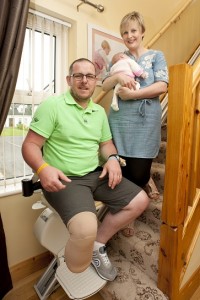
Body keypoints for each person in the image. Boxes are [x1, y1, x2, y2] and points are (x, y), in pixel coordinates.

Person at [21, 58, 149, 281]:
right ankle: (79, 265)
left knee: (140, 200)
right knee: (84, 230)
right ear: (69, 80)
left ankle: (98, 245)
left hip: (94, 174)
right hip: (64, 179)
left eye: (89, 76)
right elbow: (30, 145)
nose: (84, 81)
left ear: (95, 81)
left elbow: (106, 144)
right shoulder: (53, 106)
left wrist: (111, 158)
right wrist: (42, 168)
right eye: (78, 76)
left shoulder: (99, 112)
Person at [102, 12, 168, 210]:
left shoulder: (157, 56)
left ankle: (145, 181)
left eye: (133, 30)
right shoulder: (119, 58)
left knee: (139, 172)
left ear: (142, 32)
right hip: (121, 119)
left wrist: (133, 96)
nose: (129, 35)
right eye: (124, 32)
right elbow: (105, 85)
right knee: (124, 167)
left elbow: (162, 86)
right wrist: (118, 78)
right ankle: (129, 211)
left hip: (146, 118)